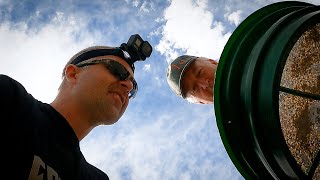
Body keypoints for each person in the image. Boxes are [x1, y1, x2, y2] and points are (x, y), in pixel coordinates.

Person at [2, 45, 143, 179]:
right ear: (73, 74)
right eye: (117, 70)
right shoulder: (11, 99)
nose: (128, 86)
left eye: (133, 89)